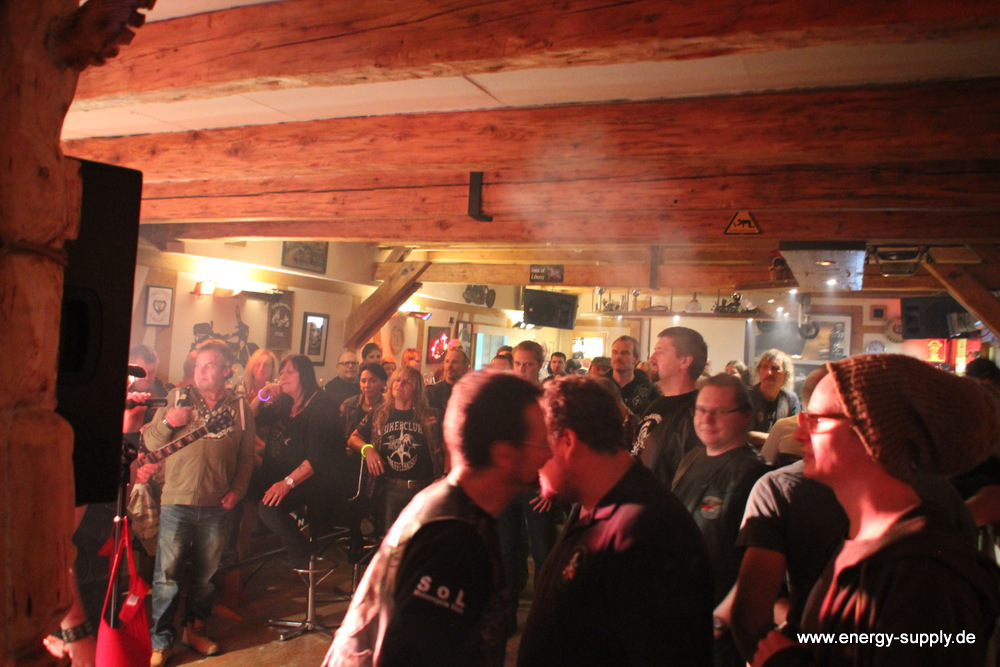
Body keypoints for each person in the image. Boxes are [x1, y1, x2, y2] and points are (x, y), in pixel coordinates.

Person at [753, 354, 1000, 667]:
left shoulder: (924, 575)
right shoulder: (860, 542)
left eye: (817, 421)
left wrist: (785, 662)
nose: (800, 435)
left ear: (873, 434)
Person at [324, 371, 548, 666]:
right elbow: (409, 655)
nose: (549, 454)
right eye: (540, 443)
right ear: (505, 453)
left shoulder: (465, 511)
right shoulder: (452, 535)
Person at [518, 375, 713, 666]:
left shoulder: (649, 534)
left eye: (537, 444)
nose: (531, 460)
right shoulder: (590, 504)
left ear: (568, 442)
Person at [144, 339, 255, 667]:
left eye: (209, 366)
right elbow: (150, 442)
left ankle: (195, 630)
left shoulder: (241, 408)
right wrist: (170, 421)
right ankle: (161, 641)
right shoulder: (179, 397)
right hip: (177, 500)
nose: (200, 372)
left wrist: (238, 490)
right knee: (167, 576)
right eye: (197, 366)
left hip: (218, 504)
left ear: (226, 371)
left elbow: (247, 458)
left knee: (206, 575)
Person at [672, 373, 769, 667]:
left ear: (745, 415)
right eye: (701, 410)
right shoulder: (691, 458)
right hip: (681, 615)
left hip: (719, 631)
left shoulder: (755, 475)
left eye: (720, 412)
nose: (706, 419)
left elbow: (760, 563)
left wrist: (721, 618)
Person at [249, 354, 350, 567]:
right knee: (240, 487)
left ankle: (301, 552)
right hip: (280, 471)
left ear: (303, 375)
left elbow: (316, 459)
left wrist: (285, 484)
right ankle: (242, 555)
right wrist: (262, 396)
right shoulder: (285, 403)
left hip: (314, 481)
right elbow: (248, 418)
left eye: (289, 372)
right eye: (281, 373)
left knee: (268, 507)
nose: (283, 377)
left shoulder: (322, 407)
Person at [498, 340, 561, 633]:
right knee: (507, 551)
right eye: (518, 364)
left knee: (544, 553)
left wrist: (552, 485)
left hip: (538, 486)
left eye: (528, 364)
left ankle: (543, 619)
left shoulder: (550, 398)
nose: (522, 369)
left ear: (540, 365)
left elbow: (560, 446)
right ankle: (508, 614)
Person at [348, 365, 443, 531]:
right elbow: (353, 438)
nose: (399, 384)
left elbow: (449, 446)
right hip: (391, 488)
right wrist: (368, 449)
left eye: (406, 382)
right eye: (397, 380)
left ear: (416, 389)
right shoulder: (379, 412)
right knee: (391, 539)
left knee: (420, 539)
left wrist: (445, 474)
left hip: (424, 488)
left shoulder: (431, 415)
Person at [633, 327, 707, 488]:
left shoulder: (696, 415)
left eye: (660, 352)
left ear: (684, 361)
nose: (651, 358)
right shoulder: (655, 405)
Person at [748, 349, 800, 434]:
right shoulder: (746, 398)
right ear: (759, 371)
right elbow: (744, 436)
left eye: (775, 368)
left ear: (785, 375)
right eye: (765, 367)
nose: (768, 373)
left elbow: (793, 435)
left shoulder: (790, 400)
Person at [608, 334, 658, 416]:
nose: (618, 357)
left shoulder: (649, 391)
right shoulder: (599, 387)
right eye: (614, 352)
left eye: (624, 353)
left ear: (636, 359)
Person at [426, 347, 470, 415]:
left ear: (465, 368)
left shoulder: (472, 394)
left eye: (454, 362)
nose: (449, 366)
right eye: (447, 361)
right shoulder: (432, 392)